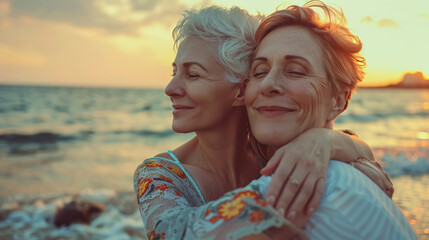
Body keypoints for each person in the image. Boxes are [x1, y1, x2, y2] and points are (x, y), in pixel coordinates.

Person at [133, 4, 395, 239]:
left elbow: (371, 178)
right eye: (261, 71)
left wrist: (327, 140)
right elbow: (171, 232)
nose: (170, 87)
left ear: (241, 89)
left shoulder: (282, 151)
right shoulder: (160, 175)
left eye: (193, 74)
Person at [243, 1, 417, 238]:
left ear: (338, 100)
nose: (268, 84)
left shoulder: (315, 188)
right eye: (259, 71)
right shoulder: (346, 168)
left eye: (295, 70)